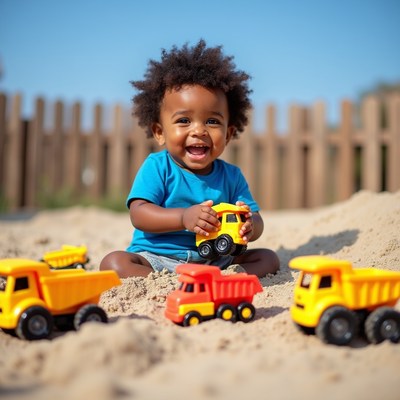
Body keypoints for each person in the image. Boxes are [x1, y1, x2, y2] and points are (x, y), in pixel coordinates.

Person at [100, 40, 279, 278]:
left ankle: (223, 281)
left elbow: (255, 218)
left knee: (268, 258)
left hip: (216, 259)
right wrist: (183, 217)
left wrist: (251, 226)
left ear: (228, 134)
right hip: (158, 259)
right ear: (160, 132)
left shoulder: (232, 175)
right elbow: (139, 214)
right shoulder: (158, 166)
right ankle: (170, 284)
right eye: (184, 120)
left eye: (212, 121)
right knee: (114, 263)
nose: (199, 131)